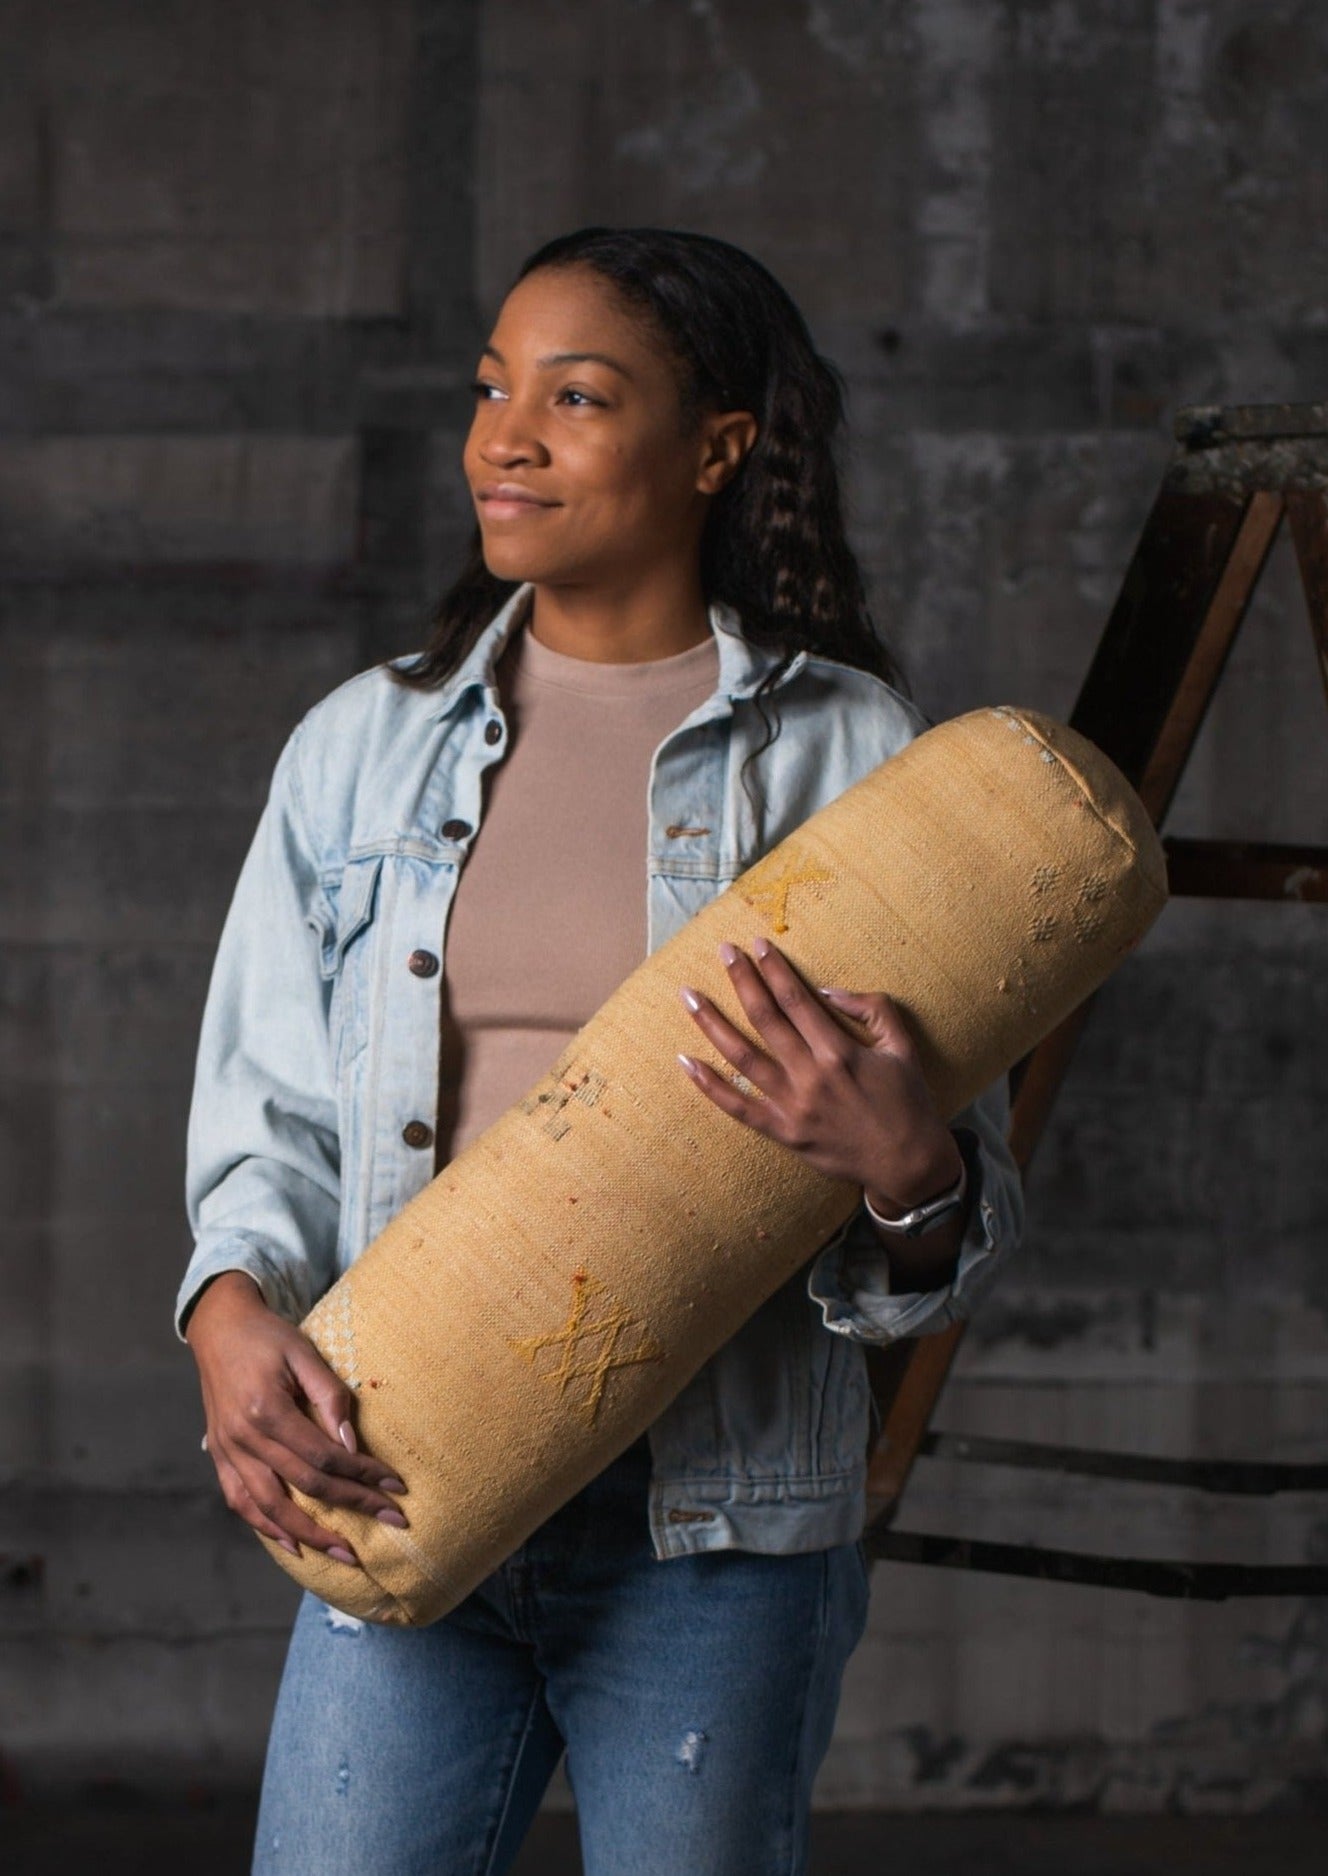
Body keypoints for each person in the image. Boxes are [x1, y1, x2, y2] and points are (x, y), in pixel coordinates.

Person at [176, 226, 1023, 1876]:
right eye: (494, 389)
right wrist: (225, 1313)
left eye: (575, 397)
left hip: (713, 1530)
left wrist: (905, 1164)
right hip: (401, 1475)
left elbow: (949, 1218)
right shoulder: (361, 749)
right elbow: (259, 1110)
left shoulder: (854, 749)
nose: (505, 436)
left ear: (718, 446)